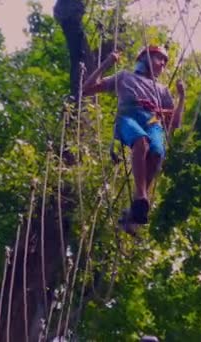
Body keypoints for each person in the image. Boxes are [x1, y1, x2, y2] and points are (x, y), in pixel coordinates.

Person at [82, 45, 186, 233]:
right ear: (145, 58)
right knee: (140, 142)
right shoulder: (124, 77)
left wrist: (182, 97)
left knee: (157, 152)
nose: (162, 63)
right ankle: (141, 196)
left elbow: (175, 123)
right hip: (128, 115)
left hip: (152, 119)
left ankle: (137, 208)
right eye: (159, 58)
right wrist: (106, 63)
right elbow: (86, 89)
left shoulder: (161, 90)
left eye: (165, 61)